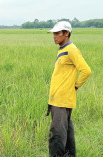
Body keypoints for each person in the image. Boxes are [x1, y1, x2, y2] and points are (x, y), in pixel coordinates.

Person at [46, 21, 92, 157]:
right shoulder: (63, 49)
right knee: (66, 132)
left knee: (57, 135)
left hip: (61, 100)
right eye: (53, 33)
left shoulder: (71, 49)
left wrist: (75, 86)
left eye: (57, 33)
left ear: (67, 33)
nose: (54, 36)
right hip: (59, 99)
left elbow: (86, 71)